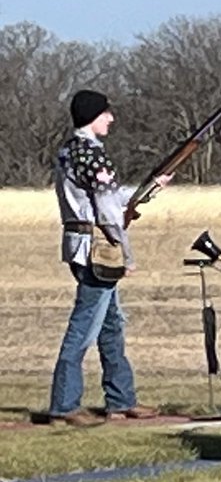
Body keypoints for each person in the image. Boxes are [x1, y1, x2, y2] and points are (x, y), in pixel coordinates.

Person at [49, 90, 169, 427]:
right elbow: (109, 211)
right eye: (105, 113)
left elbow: (112, 198)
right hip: (97, 250)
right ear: (92, 116)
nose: (111, 118)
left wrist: (152, 187)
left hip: (80, 244)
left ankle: (120, 400)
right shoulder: (93, 156)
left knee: (112, 325)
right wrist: (126, 255)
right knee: (84, 326)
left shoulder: (70, 151)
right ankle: (64, 405)